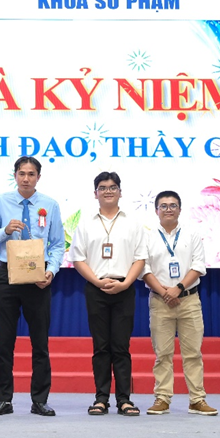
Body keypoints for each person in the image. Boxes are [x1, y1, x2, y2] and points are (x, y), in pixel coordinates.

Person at [0, 156, 64, 417]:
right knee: (5, 342)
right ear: (15, 175)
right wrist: (5, 231)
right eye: (21, 173)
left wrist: (51, 271)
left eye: (31, 174)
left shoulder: (50, 205)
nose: (26, 179)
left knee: (40, 343)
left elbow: (57, 244)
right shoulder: (0, 202)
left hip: (38, 277)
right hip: (7, 275)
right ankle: (4, 399)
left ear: (38, 177)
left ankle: (40, 400)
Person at [68, 171, 147, 417]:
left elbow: (140, 258)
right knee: (101, 347)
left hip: (124, 288)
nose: (108, 191)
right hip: (96, 289)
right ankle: (101, 398)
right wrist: (97, 282)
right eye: (103, 188)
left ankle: (124, 400)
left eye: (113, 187)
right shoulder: (86, 223)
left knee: (121, 347)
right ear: (96, 194)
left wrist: (125, 284)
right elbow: (78, 258)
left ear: (120, 192)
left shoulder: (133, 223)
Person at [143, 191, 218, 416]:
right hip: (160, 301)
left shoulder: (192, 233)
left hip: (189, 300)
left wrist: (178, 288)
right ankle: (162, 398)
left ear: (180, 209)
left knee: (193, 353)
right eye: (164, 206)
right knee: (163, 354)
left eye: (173, 205)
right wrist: (164, 292)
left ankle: (197, 400)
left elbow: (198, 265)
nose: (168, 209)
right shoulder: (146, 236)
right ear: (156, 210)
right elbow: (144, 269)